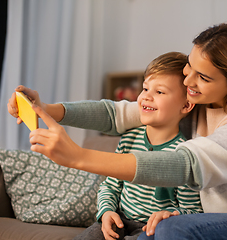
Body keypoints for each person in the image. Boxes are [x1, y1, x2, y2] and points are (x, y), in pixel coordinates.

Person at [8, 22, 227, 240]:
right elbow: (114, 113)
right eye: (189, 67)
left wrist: (78, 157)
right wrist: (46, 108)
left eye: (202, 76)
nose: (188, 80)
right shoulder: (199, 101)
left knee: (171, 230)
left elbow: (183, 166)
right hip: (216, 220)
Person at [71, 52, 202, 240]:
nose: (146, 97)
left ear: (186, 105)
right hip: (120, 220)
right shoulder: (130, 138)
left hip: (152, 229)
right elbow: (111, 186)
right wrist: (107, 212)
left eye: (159, 92)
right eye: (145, 88)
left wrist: (171, 214)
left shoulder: (183, 156)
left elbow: (193, 210)